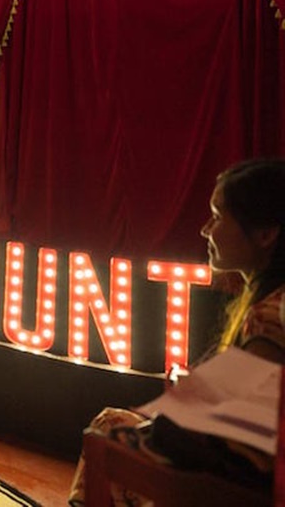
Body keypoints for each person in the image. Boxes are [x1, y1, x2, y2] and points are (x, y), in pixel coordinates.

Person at [68, 158, 285, 506]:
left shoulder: (268, 318)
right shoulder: (270, 304)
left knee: (107, 430)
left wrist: (163, 428)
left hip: (240, 486)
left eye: (217, 216)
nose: (205, 230)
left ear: (266, 234)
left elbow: (244, 441)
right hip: (239, 467)